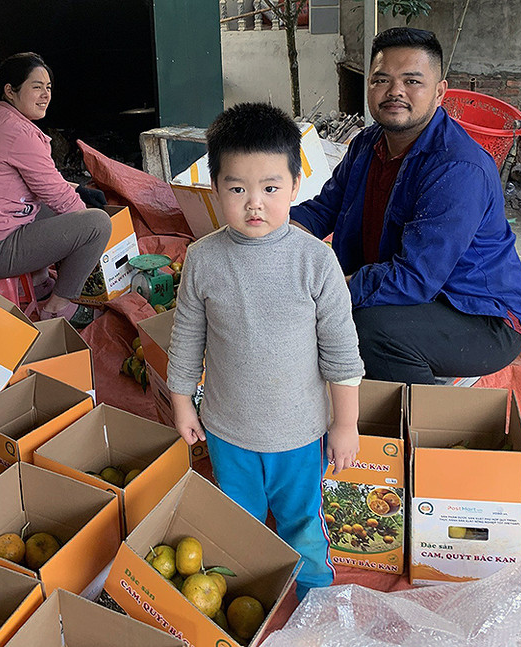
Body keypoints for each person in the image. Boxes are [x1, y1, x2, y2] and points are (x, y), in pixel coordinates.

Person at [167, 103, 365, 600]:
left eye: (271, 189)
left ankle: (314, 598)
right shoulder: (203, 259)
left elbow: (342, 352)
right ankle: (246, 599)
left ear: (297, 187)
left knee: (302, 523)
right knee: (238, 523)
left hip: (299, 434)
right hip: (227, 430)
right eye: (237, 189)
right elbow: (187, 338)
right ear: (215, 189)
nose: (254, 203)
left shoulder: (316, 261)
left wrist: (345, 425)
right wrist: (182, 404)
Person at [290, 28, 521, 385]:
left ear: (439, 92)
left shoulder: (458, 167)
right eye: (381, 79)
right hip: (417, 296)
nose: (395, 92)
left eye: (412, 81)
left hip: (481, 316)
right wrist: (273, 244)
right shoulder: (368, 143)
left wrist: (327, 291)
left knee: (367, 329)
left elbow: (415, 278)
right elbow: (322, 209)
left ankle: (420, 420)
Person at [0, 52, 112, 326]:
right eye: (36, 87)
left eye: (48, 88)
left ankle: (38, 283)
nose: (45, 95)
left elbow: (41, 182)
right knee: (97, 224)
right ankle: (59, 307)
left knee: (48, 206)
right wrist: (89, 237)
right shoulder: (18, 133)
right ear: (11, 91)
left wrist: (77, 191)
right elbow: (61, 199)